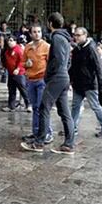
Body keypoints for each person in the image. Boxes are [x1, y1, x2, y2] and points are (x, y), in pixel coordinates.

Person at [21, 13, 75, 154]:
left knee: (43, 107)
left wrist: (48, 75)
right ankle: (68, 144)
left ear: (50, 23)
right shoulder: (65, 38)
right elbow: (68, 60)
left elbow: (56, 59)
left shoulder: (56, 37)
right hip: (64, 76)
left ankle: (39, 143)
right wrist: (64, 71)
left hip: (56, 77)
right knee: (64, 112)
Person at [69, 27, 102, 138]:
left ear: (85, 35)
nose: (76, 37)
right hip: (78, 84)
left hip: (89, 84)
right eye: (75, 35)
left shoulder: (91, 49)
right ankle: (72, 128)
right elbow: (73, 67)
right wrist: (70, 80)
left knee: (95, 106)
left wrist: (101, 87)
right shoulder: (76, 50)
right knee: (75, 106)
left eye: (78, 35)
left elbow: (98, 68)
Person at [20, 25, 53, 146]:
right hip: (30, 80)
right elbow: (22, 62)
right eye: (34, 32)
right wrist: (26, 64)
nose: (37, 34)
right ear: (30, 34)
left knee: (42, 107)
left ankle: (47, 133)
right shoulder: (27, 47)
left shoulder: (46, 46)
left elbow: (50, 63)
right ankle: (36, 132)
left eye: (39, 31)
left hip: (42, 80)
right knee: (34, 107)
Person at [1, 35, 30, 112]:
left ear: (15, 41)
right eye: (8, 41)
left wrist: (18, 68)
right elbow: (6, 61)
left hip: (19, 73)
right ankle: (11, 106)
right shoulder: (7, 51)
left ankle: (29, 104)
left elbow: (22, 60)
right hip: (11, 72)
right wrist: (4, 67)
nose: (9, 42)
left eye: (11, 40)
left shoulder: (18, 49)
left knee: (23, 89)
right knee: (11, 89)